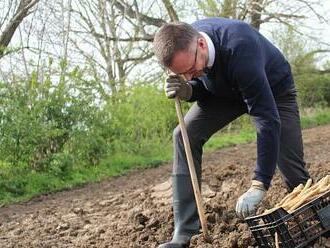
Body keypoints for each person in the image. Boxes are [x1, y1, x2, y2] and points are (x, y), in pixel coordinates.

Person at [152, 17, 310, 248]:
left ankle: (320, 214)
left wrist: (260, 183)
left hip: (274, 90)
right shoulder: (187, 45)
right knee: (183, 134)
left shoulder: (239, 46)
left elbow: (266, 119)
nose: (187, 76)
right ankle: (184, 231)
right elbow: (205, 85)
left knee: (292, 170)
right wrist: (188, 90)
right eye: (180, 74)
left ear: (202, 45)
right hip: (226, 96)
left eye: (189, 70)